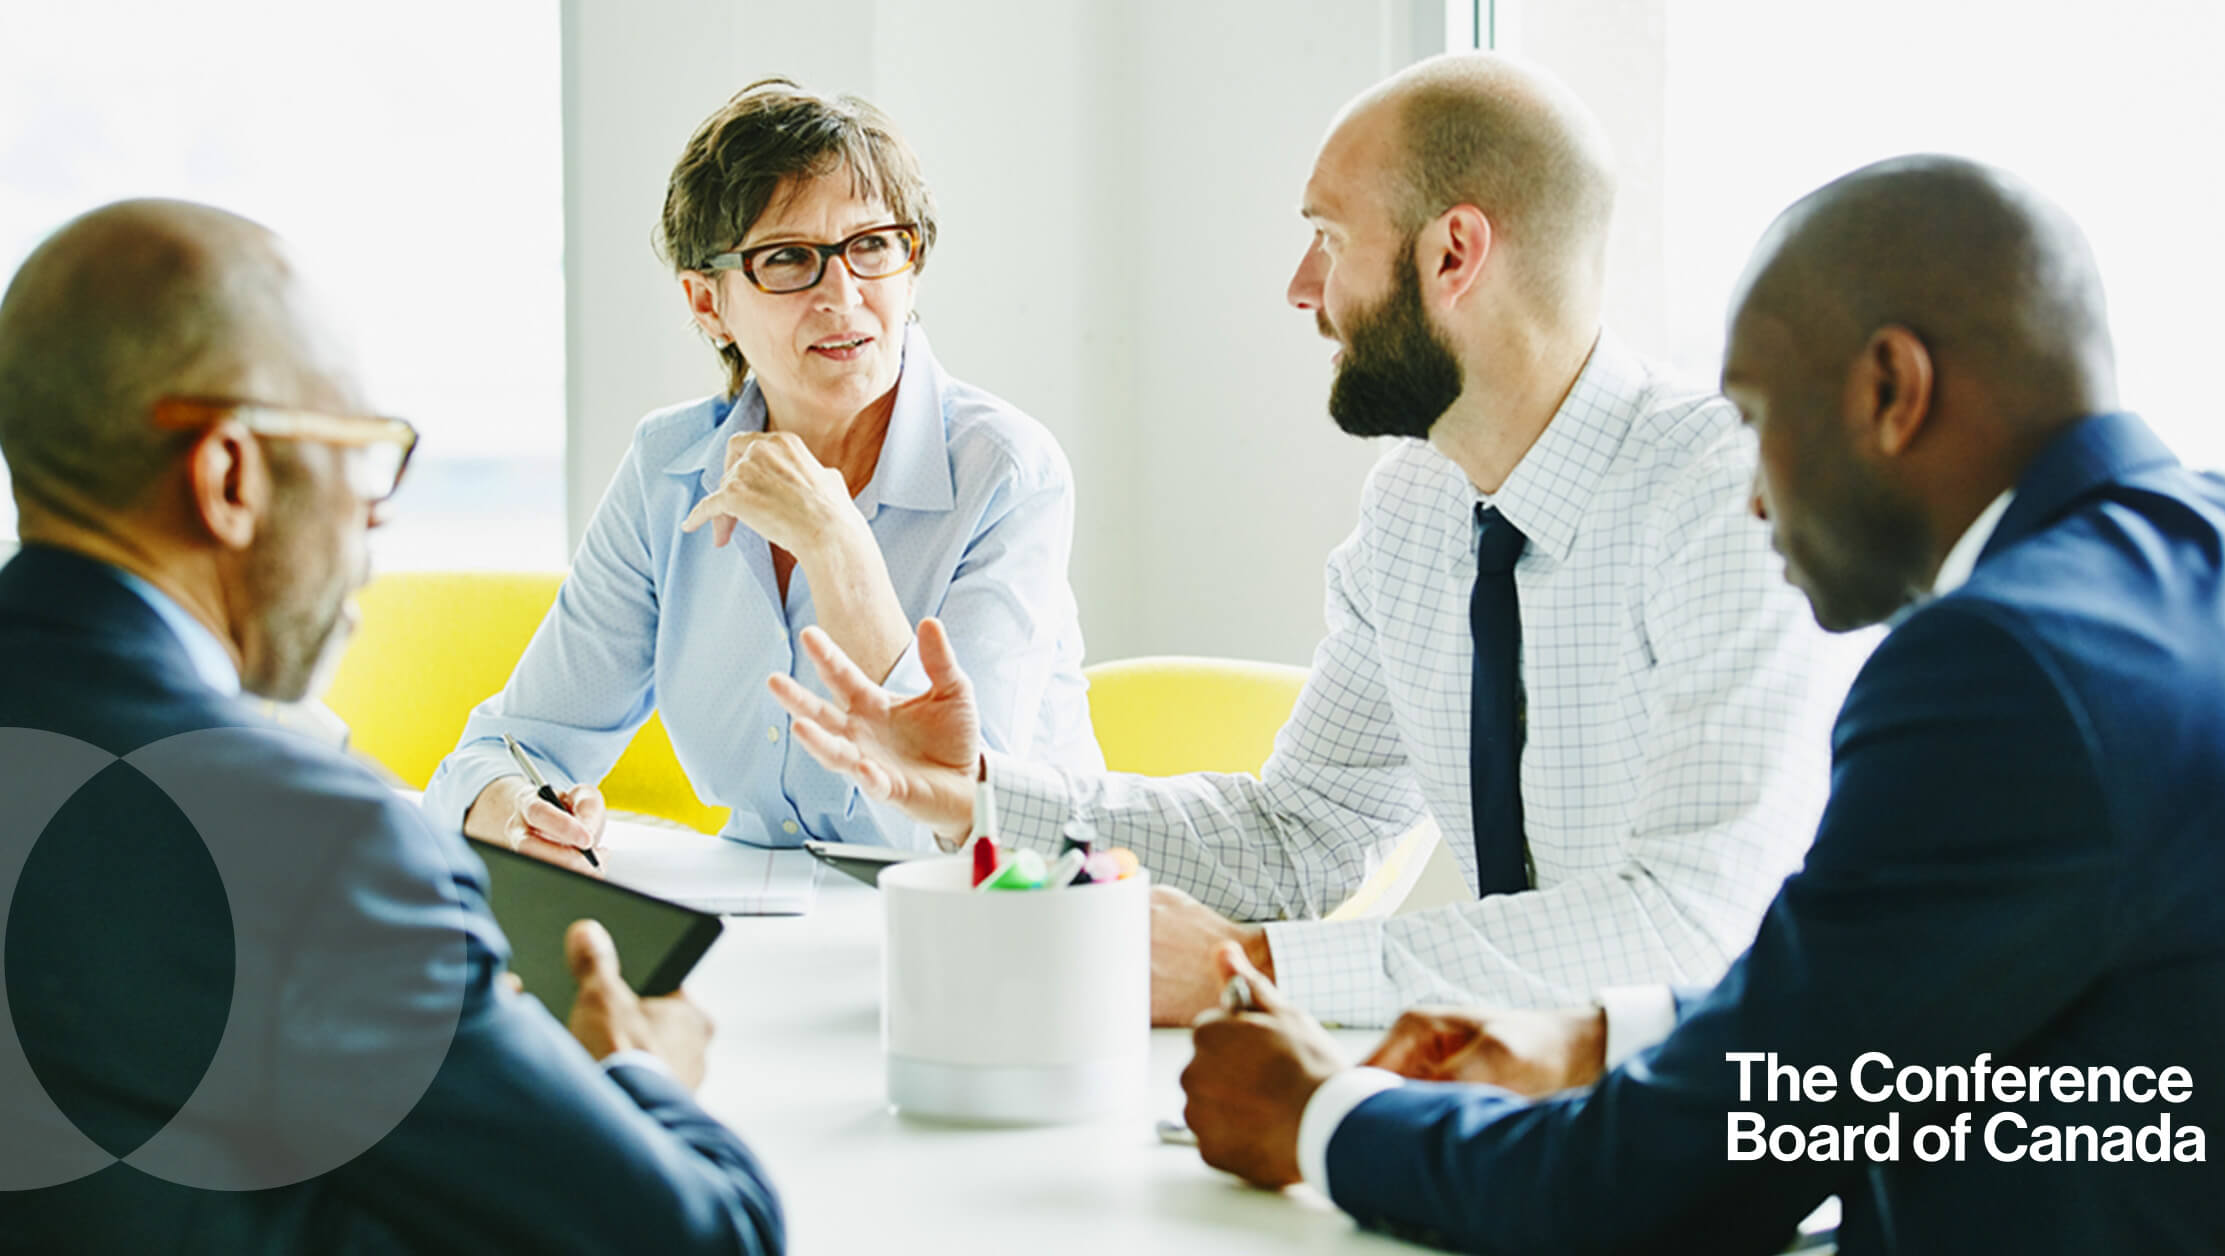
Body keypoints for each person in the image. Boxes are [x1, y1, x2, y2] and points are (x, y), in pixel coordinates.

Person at [1175, 155, 2225, 1253]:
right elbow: (1915, 1003)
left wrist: (1323, 1115)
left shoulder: (2001, 666)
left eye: (1760, 418)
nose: (1754, 491)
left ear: (1890, 390)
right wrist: (1604, 1035)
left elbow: (1680, 1186)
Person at [766, 53, 1840, 1027]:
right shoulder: (1417, 505)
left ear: (1454, 253)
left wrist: (1258, 967)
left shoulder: (1727, 499)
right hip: (1535, 1107)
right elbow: (1298, 835)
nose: (1300, 287)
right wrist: (983, 794)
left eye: (1328, 238)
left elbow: (1700, 924)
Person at [0, 199, 783, 1252]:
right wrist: (639, 1071)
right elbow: (707, 1236)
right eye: (362, 450)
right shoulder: (313, 844)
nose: (377, 510)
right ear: (230, 475)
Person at [421, 79, 1099, 867]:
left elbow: (969, 819)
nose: (843, 295)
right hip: (757, 923)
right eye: (788, 260)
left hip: (993, 930)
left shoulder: (1006, 472)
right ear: (707, 302)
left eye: (873, 245)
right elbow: (514, 743)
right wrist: (511, 808)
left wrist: (834, 542)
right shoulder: (668, 467)